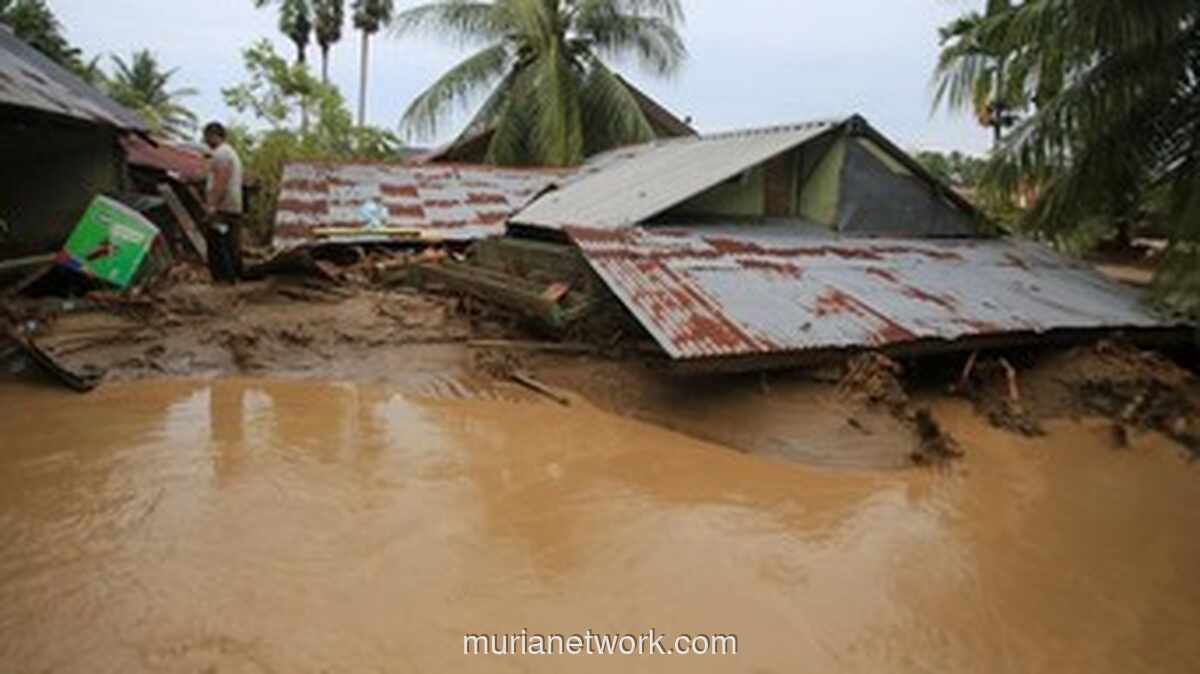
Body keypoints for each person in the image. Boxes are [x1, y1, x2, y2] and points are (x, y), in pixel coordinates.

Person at [201, 122, 245, 283]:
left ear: (213, 135)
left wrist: (212, 205)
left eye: (206, 136)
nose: (205, 141)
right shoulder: (230, 153)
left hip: (223, 207)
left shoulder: (221, 154)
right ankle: (234, 276)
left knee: (217, 243)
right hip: (232, 206)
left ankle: (223, 278)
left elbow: (221, 180)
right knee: (231, 242)